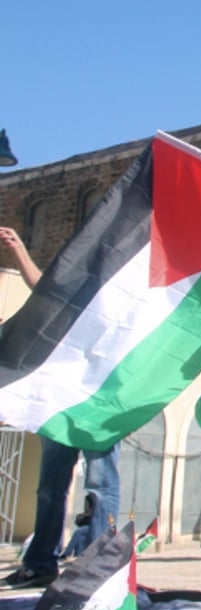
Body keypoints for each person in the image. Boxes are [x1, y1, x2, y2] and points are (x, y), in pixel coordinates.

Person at [0, 227, 121, 591]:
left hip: (101, 402)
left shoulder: (120, 292)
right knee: (51, 485)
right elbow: (45, 289)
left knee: (101, 484)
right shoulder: (74, 288)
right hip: (62, 399)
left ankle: (101, 564)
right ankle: (40, 563)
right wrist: (19, 249)